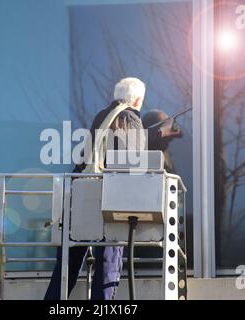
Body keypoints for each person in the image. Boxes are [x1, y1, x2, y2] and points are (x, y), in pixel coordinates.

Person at [44, 78, 180, 300]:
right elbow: (131, 158)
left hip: (80, 202)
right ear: (137, 99)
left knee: (65, 273)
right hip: (108, 204)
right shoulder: (128, 116)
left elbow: (102, 151)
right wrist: (161, 134)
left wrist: (156, 133)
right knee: (107, 269)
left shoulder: (102, 116)